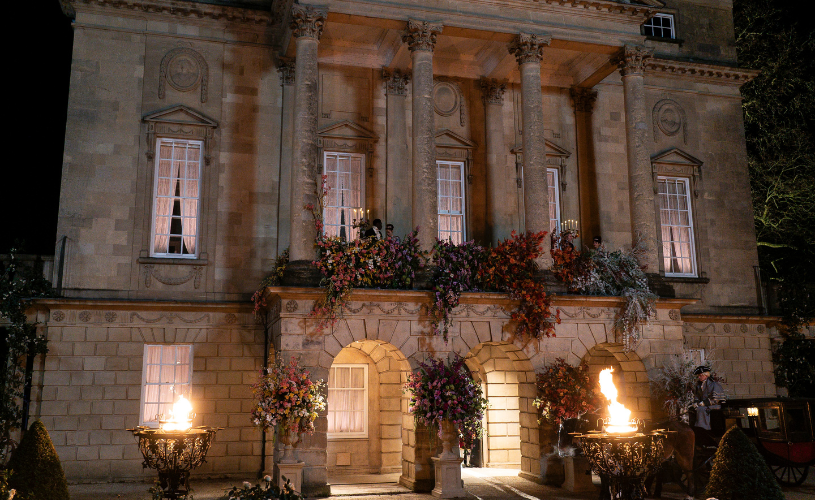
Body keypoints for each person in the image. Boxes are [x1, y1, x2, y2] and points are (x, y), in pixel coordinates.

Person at [690, 365, 723, 445]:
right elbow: (697, 397)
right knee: (693, 409)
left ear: (706, 375)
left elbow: (716, 399)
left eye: (700, 375)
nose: (699, 377)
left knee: (701, 409)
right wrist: (696, 403)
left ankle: (704, 428)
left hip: (713, 406)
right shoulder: (699, 386)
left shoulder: (714, 385)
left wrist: (704, 403)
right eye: (698, 376)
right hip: (703, 405)